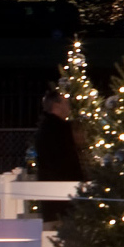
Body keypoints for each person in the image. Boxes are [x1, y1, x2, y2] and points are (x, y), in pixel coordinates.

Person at [33, 90, 83, 219]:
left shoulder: (45, 127)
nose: (68, 106)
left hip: (51, 192)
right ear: (56, 105)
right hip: (63, 192)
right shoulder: (59, 129)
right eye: (65, 103)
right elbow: (67, 161)